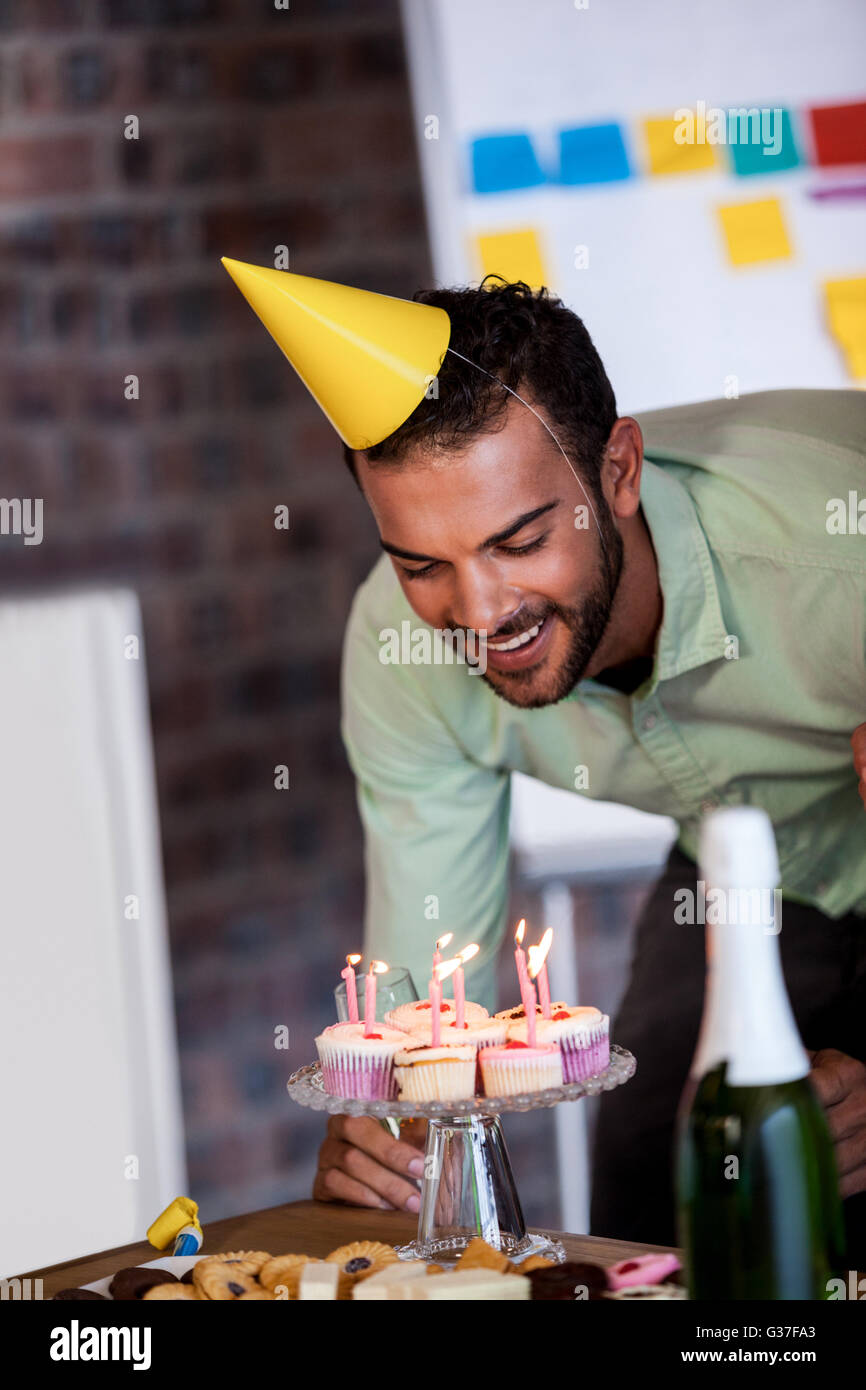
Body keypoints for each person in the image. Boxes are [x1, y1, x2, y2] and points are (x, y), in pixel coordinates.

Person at [218, 263, 866, 1257]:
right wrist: (386, 1139)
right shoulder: (397, 649)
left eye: (518, 541)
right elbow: (421, 1011)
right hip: (746, 868)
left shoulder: (835, 554)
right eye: (422, 563)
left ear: (616, 473)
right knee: (655, 1187)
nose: (476, 615)